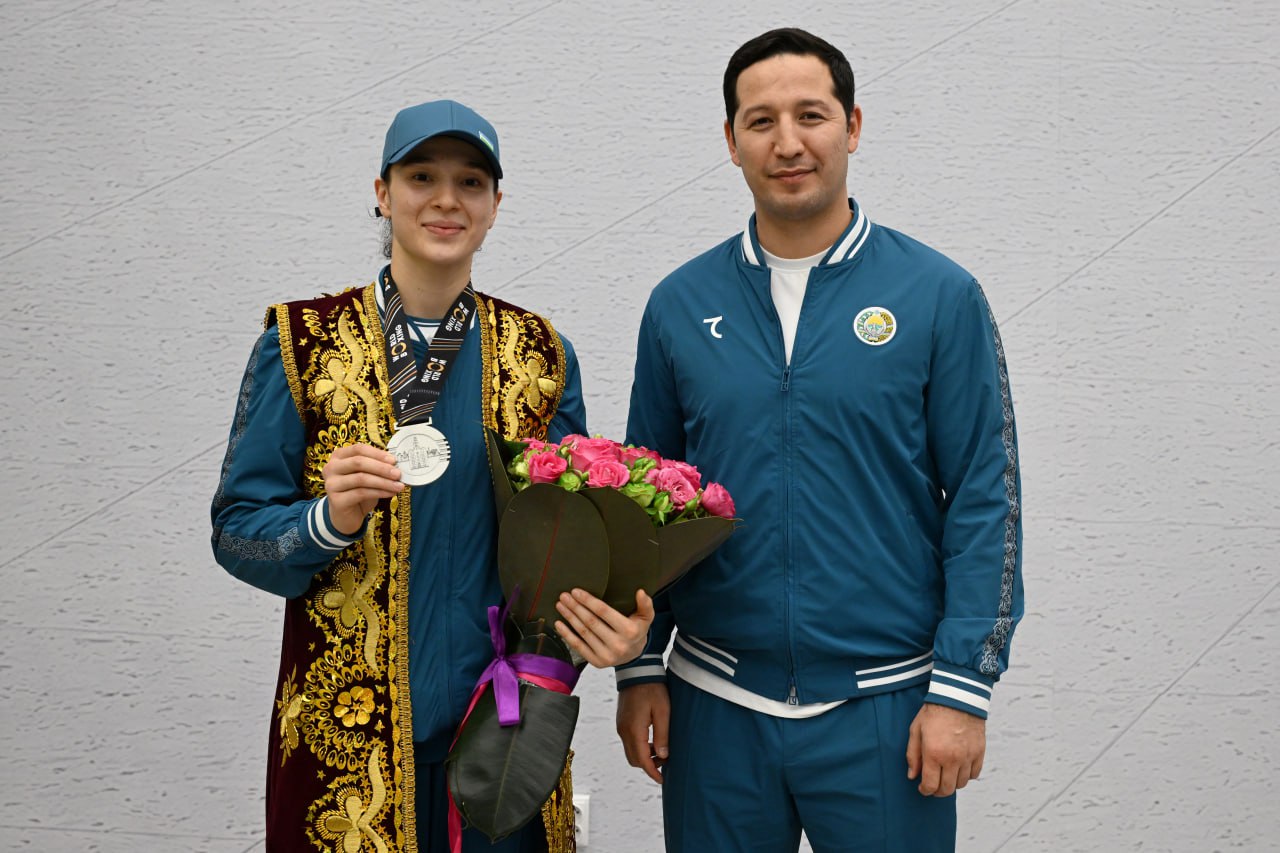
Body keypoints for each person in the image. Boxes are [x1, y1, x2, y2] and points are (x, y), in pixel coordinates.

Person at [614, 28, 1024, 853]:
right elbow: (643, 498)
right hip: (717, 703)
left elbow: (987, 497)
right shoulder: (679, 304)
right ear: (731, 140)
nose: (788, 142)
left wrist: (963, 685)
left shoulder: (938, 295)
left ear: (853, 126)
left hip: (887, 706)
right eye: (761, 121)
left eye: (811, 115)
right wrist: (641, 666)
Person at [211, 99, 654, 853]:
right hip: (343, 739)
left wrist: (612, 626)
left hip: (504, 728)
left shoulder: (541, 353)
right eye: (422, 177)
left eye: (470, 182)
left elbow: (578, 540)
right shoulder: (301, 343)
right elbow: (235, 533)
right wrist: (326, 520)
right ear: (382, 193)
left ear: (495, 205)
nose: (447, 199)